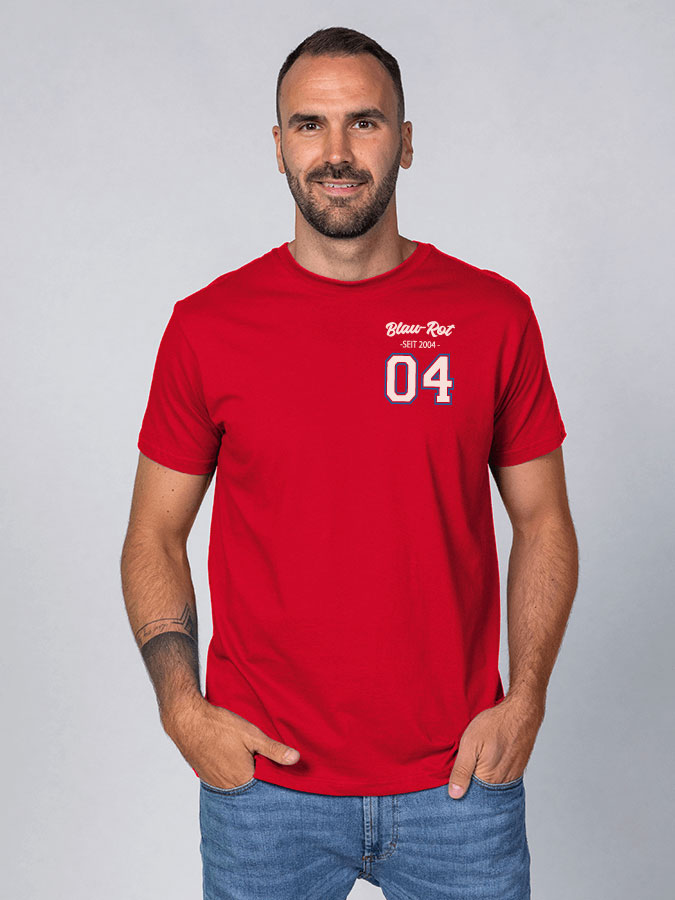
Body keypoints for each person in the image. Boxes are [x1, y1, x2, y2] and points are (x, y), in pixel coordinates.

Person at [120, 25, 578, 900]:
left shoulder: (492, 316)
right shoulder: (207, 327)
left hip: (458, 785)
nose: (336, 151)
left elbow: (543, 519)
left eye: (363, 122)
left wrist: (525, 701)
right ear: (278, 145)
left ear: (404, 140)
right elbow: (153, 533)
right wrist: (182, 711)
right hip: (264, 791)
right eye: (309, 124)